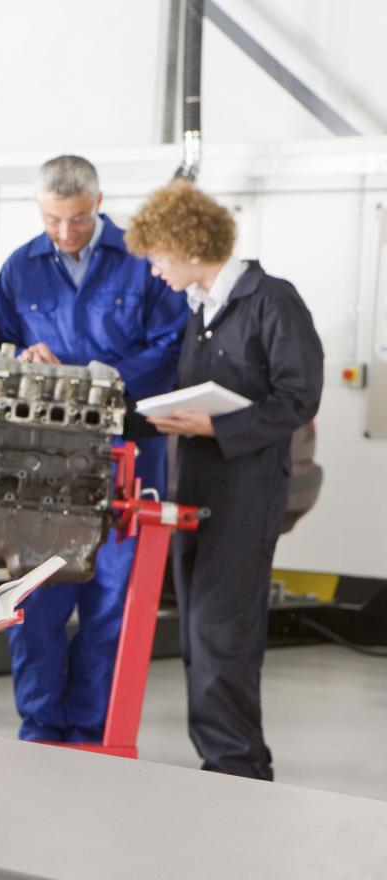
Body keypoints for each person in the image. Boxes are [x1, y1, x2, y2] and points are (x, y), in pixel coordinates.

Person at [126, 180, 323, 780]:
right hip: (196, 491)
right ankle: (222, 761)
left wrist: (217, 427)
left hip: (245, 493)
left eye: (159, 257)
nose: (156, 271)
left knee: (223, 634)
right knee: (200, 632)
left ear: (188, 246)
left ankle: (239, 768)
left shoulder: (272, 301)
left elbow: (299, 397)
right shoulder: (203, 311)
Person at [0, 155, 190, 743]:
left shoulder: (141, 258)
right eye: (53, 219)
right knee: (39, 607)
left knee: (110, 605)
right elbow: (0, 347)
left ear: (99, 203)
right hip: (43, 468)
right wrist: (23, 362)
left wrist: (91, 377)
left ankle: (90, 735)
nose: (65, 232)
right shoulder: (21, 267)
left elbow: (170, 347)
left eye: (77, 219)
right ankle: (41, 731)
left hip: (126, 461)